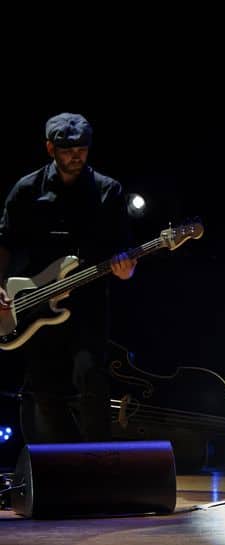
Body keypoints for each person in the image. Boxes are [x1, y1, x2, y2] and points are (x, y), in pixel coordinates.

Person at [0, 112, 137, 443]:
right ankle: (54, 465)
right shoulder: (27, 190)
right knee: (41, 388)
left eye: (83, 149)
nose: (76, 156)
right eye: (68, 149)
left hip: (88, 304)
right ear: (50, 148)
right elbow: (4, 241)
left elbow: (125, 250)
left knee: (91, 379)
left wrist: (126, 268)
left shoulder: (108, 191)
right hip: (35, 304)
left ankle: (95, 464)